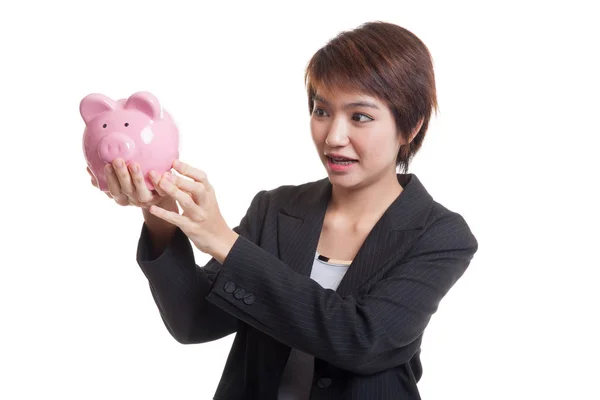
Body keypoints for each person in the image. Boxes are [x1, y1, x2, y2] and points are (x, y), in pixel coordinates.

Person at [87, 21, 478, 400]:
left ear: (410, 128)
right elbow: (194, 322)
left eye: (360, 116)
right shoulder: (275, 209)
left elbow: (362, 340)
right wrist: (159, 212)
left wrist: (225, 241)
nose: (334, 136)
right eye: (322, 111)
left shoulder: (440, 235)